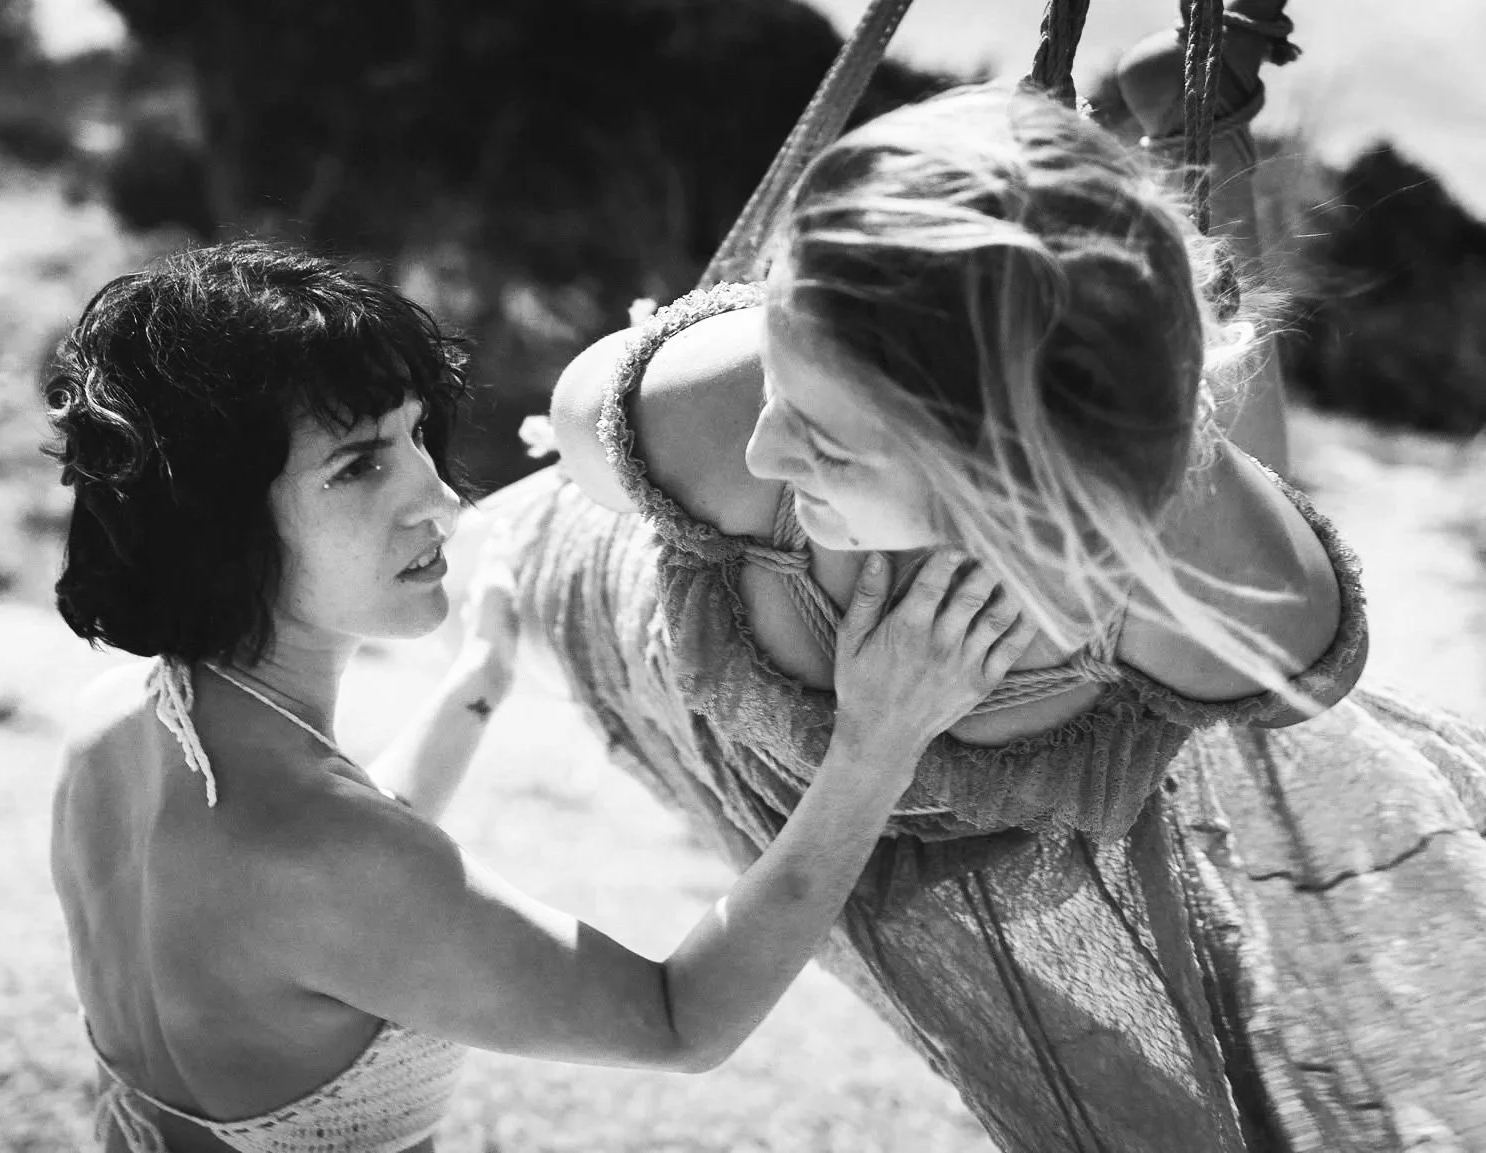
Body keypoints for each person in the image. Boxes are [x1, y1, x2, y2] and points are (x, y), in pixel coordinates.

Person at [495, 37, 1486, 1153]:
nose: (772, 450)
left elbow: (1209, 461)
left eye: (822, 437)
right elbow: (582, 446)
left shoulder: (1231, 609)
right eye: (782, 387)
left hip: (1029, 788)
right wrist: (873, 725)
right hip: (699, 706)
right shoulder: (711, 416)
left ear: (1000, 471)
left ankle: (1196, 147)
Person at [43, 242, 1038, 1152]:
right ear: (215, 523)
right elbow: (676, 1019)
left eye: (415, 437)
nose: (437, 496)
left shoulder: (115, 726)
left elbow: (313, 899)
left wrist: (475, 687)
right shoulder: (324, 856)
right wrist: (873, 745)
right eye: (359, 465)